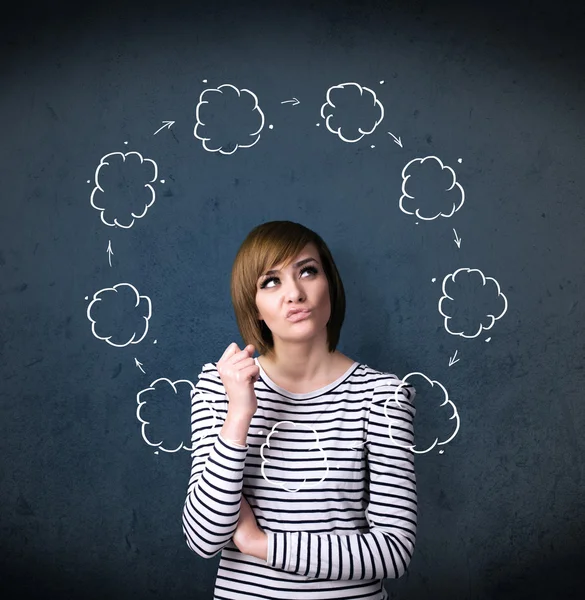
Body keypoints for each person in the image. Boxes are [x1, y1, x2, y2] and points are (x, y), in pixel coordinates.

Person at [182, 220, 417, 600]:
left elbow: (393, 552)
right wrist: (239, 414)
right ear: (253, 306)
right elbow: (204, 537)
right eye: (270, 281)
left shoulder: (383, 396)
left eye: (307, 271)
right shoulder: (220, 386)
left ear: (330, 285)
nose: (294, 293)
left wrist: (259, 543)